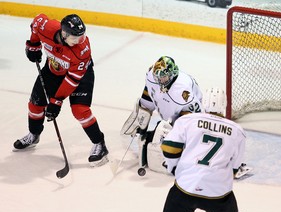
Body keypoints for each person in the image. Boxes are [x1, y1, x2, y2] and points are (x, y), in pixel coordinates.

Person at [13, 13, 108, 166]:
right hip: (53, 69)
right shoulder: (47, 27)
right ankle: (34, 134)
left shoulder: (82, 50)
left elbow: (72, 80)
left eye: (81, 36)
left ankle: (100, 144)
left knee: (80, 110)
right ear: (63, 33)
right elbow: (36, 24)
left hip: (80, 75)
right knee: (35, 104)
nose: (79, 40)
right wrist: (33, 44)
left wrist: (56, 101)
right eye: (74, 37)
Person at [161, 87, 244, 212]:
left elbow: (169, 148)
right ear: (224, 105)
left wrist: (174, 169)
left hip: (186, 188)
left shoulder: (187, 121)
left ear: (204, 102)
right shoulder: (237, 131)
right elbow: (235, 167)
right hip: (218, 194)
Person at [121, 56, 203, 174]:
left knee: (179, 137)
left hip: (186, 111)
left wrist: (179, 130)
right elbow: (149, 90)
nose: (160, 81)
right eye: (157, 77)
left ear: (172, 74)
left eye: (163, 77)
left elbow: (195, 115)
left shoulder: (183, 91)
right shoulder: (151, 75)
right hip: (170, 105)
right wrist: (143, 112)